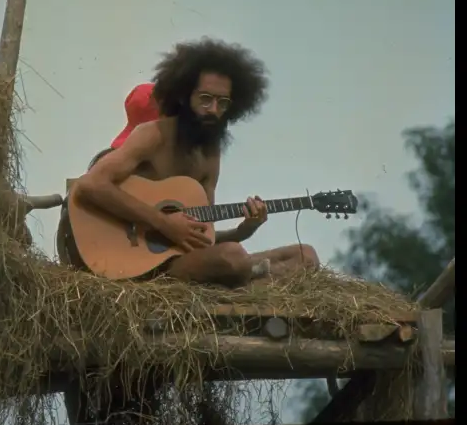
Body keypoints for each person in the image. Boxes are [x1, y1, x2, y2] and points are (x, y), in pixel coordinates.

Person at [70, 38, 320, 287]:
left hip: (188, 258)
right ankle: (250, 276)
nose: (213, 109)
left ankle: (248, 277)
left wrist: (246, 228)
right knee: (233, 258)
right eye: (205, 98)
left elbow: (203, 237)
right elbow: (90, 185)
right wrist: (163, 222)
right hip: (142, 263)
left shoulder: (210, 154)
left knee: (305, 256)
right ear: (183, 96)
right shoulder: (153, 135)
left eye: (222, 102)